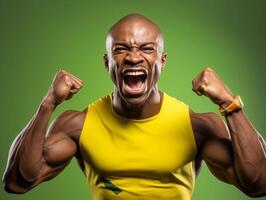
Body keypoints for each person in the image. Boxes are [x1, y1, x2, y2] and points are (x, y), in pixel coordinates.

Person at [2, 13, 266, 200]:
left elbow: (257, 184)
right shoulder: (78, 125)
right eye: (121, 49)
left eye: (146, 48)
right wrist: (48, 103)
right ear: (108, 64)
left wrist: (229, 103)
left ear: (162, 62)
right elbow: (17, 182)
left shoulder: (197, 126)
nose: (133, 57)